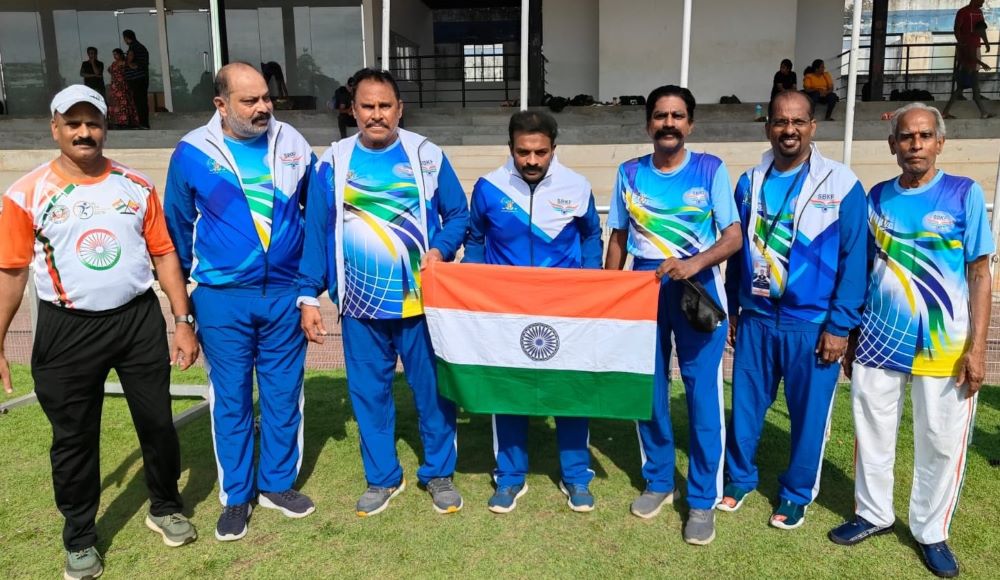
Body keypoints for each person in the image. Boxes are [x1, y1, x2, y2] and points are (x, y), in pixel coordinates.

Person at [0, 85, 199, 580]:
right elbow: (11, 273)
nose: (84, 132)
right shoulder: (25, 194)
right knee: (73, 437)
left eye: (93, 122)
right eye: (73, 123)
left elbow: (164, 255)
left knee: (156, 422)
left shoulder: (136, 185)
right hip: (67, 329)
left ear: (106, 127)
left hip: (136, 321)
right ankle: (81, 538)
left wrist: (181, 319)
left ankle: (165, 506)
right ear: (55, 128)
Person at [829, 103, 994, 579]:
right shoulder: (876, 197)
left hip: (945, 348)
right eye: (906, 137)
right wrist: (853, 331)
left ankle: (930, 530)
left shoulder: (964, 194)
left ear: (940, 142)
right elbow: (862, 270)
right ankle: (873, 513)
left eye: (924, 136)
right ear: (892, 145)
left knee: (940, 441)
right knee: (871, 433)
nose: (915, 145)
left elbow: (980, 275)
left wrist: (977, 348)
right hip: (879, 343)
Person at [298, 68, 468, 517]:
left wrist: (440, 248)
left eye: (385, 106)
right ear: (352, 110)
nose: (377, 115)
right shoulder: (332, 162)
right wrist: (308, 296)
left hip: (421, 304)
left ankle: (439, 473)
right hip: (359, 305)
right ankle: (382, 478)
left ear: (399, 109)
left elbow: (458, 214)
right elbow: (316, 231)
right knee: (369, 395)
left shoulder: (426, 155)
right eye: (367, 106)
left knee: (432, 392)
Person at [163, 62, 317, 542]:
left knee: (282, 394)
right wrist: (184, 311)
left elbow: (316, 217)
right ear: (221, 105)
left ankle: (276, 485)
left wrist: (310, 288)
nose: (263, 107)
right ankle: (236, 496)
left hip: (284, 296)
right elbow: (174, 233)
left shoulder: (293, 142)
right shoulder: (191, 152)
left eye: (266, 97)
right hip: (221, 299)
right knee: (230, 400)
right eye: (250, 100)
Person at [719, 90, 867, 531]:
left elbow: (854, 260)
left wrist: (840, 326)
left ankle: (796, 493)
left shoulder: (842, 183)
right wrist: (733, 307)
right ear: (769, 127)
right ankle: (740, 479)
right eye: (781, 122)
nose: (789, 130)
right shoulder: (749, 181)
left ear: (812, 127)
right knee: (744, 406)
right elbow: (737, 249)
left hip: (813, 323)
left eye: (798, 122)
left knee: (808, 416)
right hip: (758, 319)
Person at [604, 85, 742, 545]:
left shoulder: (710, 169)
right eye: (660, 115)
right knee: (649, 389)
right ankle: (660, 479)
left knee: (703, 394)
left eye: (677, 116)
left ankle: (702, 499)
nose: (668, 123)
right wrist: (610, 292)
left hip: (695, 287)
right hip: (643, 288)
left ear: (690, 124)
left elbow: (733, 237)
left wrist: (694, 264)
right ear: (648, 124)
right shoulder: (628, 173)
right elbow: (618, 239)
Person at [464, 110, 603, 514]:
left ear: (553, 150)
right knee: (507, 390)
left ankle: (576, 475)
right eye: (523, 152)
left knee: (570, 390)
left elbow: (591, 234)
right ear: (510, 149)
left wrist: (591, 284)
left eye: (541, 152)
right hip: (505, 311)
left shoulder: (577, 186)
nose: (531, 160)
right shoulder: (489, 187)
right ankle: (509, 477)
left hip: (564, 310)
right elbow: (475, 238)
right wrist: (475, 290)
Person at [943, 10, 993, 120]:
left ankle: (983, 112)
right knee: (964, 90)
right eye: (983, 31)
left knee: (970, 91)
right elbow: (971, 56)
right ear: (979, 29)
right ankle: (945, 112)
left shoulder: (968, 38)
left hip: (967, 68)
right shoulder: (972, 39)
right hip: (969, 69)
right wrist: (982, 64)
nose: (983, 33)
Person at [123, 29, 150, 128]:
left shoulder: (134, 48)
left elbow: (135, 64)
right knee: (141, 101)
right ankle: (144, 123)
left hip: (137, 79)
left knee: (139, 102)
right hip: (141, 78)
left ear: (126, 38)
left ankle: (143, 123)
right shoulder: (140, 47)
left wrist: (129, 63)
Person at [108, 48, 139, 129]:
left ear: (121, 54)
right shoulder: (113, 63)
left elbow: (134, 66)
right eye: (113, 55)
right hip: (115, 87)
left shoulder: (124, 62)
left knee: (124, 103)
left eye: (116, 54)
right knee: (116, 104)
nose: (115, 56)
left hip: (122, 86)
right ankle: (117, 122)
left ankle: (126, 122)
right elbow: (109, 70)